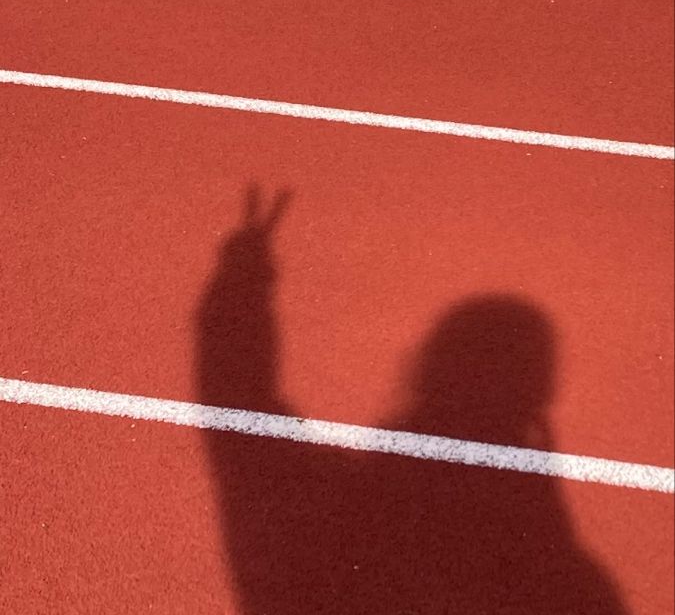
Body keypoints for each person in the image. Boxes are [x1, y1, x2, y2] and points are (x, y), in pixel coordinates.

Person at [197, 186, 628, 614]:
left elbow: (239, 409)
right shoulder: (569, 587)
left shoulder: (325, 510)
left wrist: (240, 282)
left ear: (419, 378)